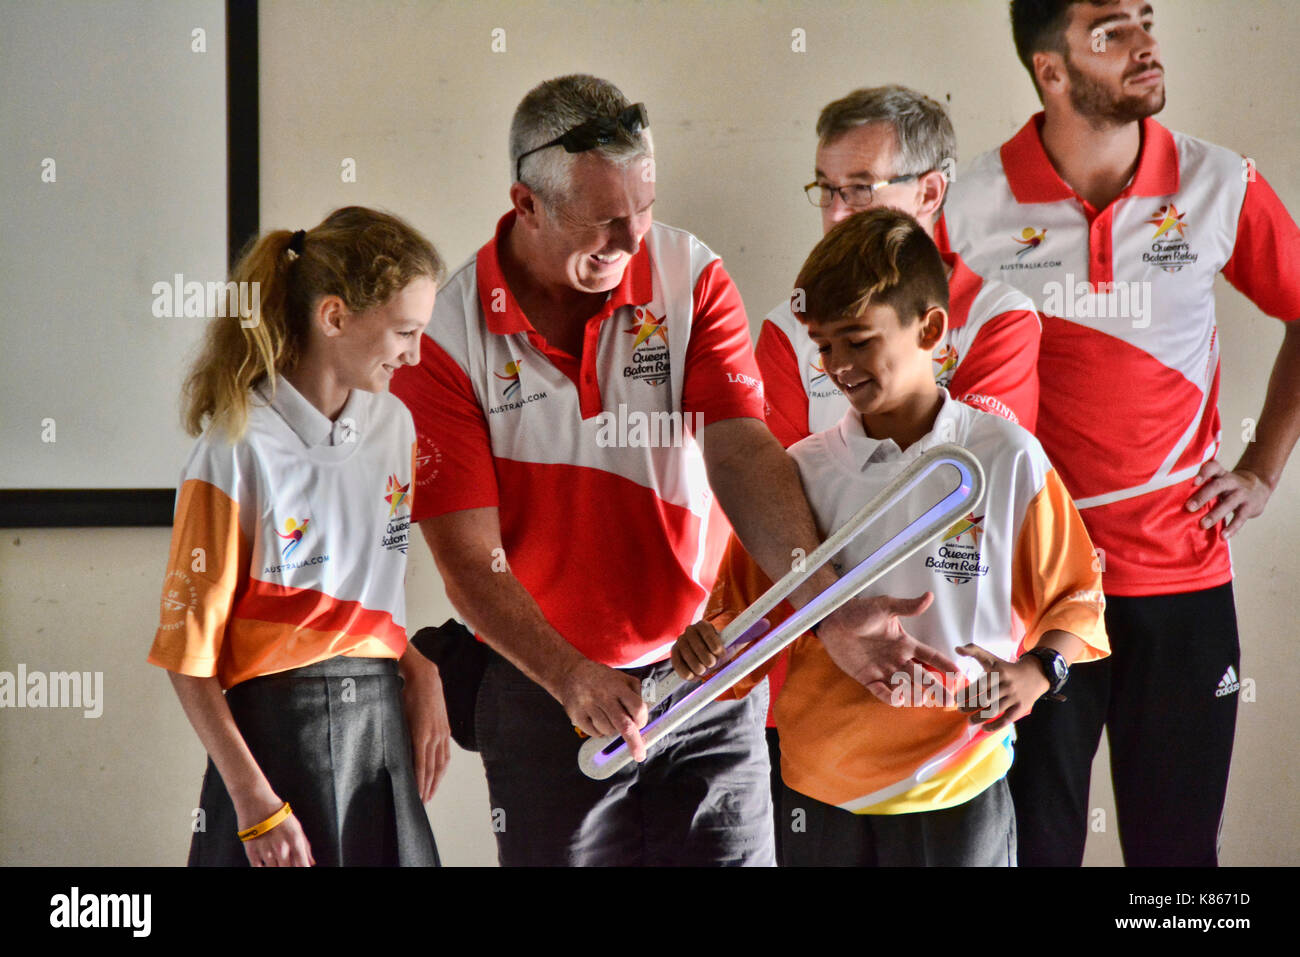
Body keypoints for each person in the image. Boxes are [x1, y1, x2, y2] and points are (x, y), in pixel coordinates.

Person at [391, 74, 950, 866]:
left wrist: (823, 604)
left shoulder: (690, 273)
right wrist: (569, 676)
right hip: (545, 686)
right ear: (527, 206)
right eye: (606, 222)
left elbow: (742, 452)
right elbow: (466, 559)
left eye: (644, 208)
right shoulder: (446, 336)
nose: (632, 239)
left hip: (709, 671)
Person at [939, 0, 1300, 865]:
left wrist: (1261, 464)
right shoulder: (969, 202)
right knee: (1034, 854)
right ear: (1051, 69)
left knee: (1177, 871)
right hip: (1033, 592)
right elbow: (912, 363)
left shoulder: (1219, 183)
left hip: (1183, 582)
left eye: (1147, 18)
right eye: (1111, 28)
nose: (1145, 41)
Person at [673, 207, 1109, 866]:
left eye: (856, 339)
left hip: (960, 781)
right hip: (818, 787)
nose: (836, 365)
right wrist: (707, 646)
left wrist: (1036, 671)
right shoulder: (800, 473)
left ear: (931, 327)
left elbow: (1076, 600)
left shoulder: (1006, 457)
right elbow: (744, 621)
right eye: (822, 345)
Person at [752, 85, 1043, 857]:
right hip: (821, 701)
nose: (839, 209)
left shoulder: (997, 316)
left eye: (860, 187)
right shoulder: (788, 328)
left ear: (932, 190)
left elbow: (954, 478)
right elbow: (770, 502)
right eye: (826, 188)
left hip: (953, 713)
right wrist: (835, 621)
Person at [148, 206, 450, 866]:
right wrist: (252, 799)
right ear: (335, 316)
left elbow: (361, 603)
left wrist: (413, 662)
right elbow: (186, 657)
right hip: (276, 747)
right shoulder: (233, 447)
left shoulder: (395, 426)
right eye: (405, 332)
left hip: (381, 738)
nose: (416, 354)